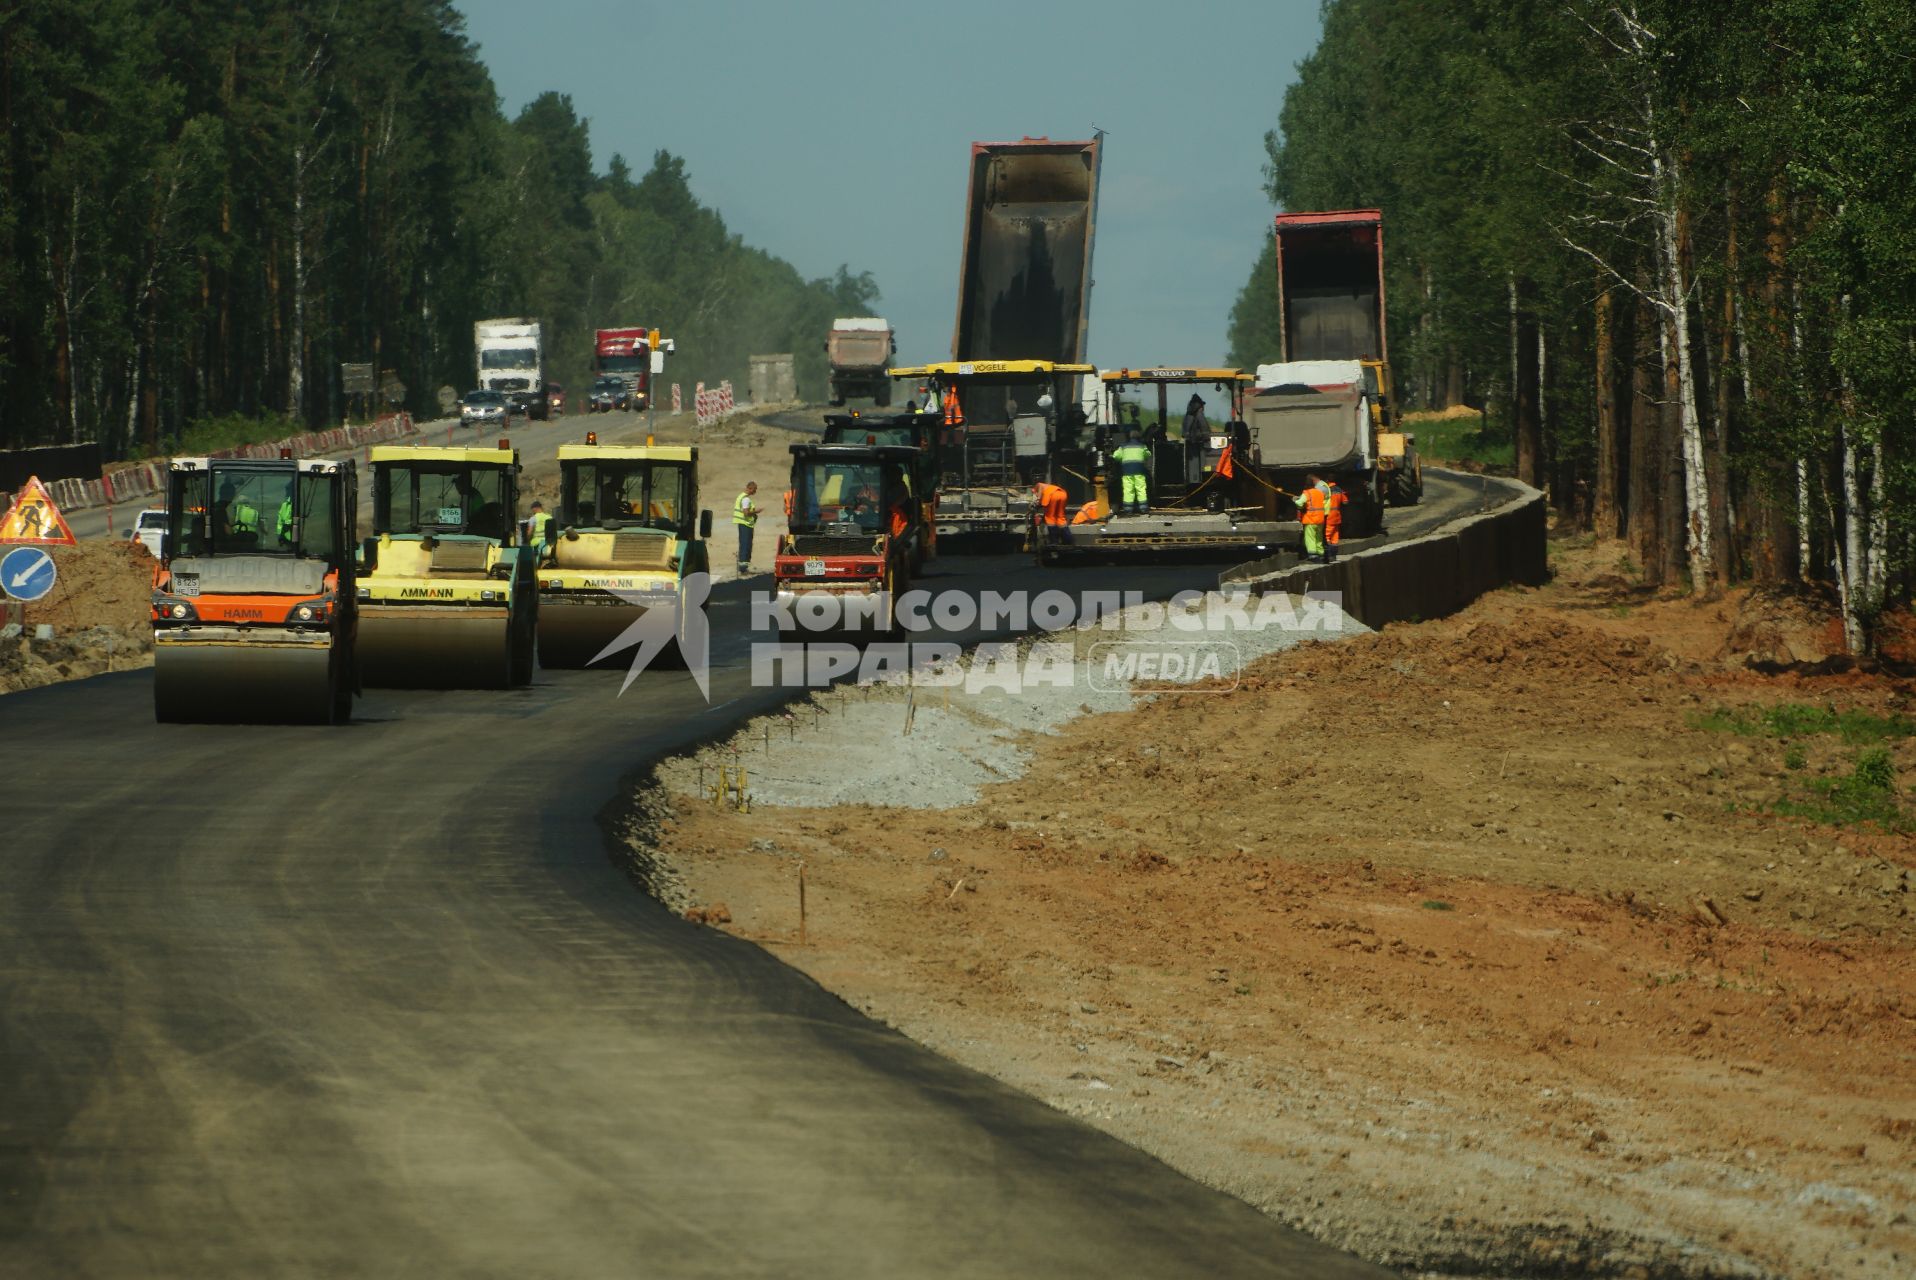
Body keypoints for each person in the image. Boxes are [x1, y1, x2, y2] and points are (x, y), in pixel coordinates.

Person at [1113, 429, 1151, 516]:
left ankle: (1128, 509)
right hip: (1139, 472)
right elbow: (1148, 454)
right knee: (1141, 489)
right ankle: (1144, 508)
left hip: (1127, 472)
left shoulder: (1123, 446)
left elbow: (1116, 456)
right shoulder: (1142, 446)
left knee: (1128, 490)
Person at [1294, 472, 1328, 562]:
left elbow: (1299, 503)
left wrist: (1296, 501)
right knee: (1319, 538)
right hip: (1320, 519)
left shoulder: (1307, 493)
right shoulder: (1320, 493)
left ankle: (1313, 555)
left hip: (1311, 519)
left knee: (1310, 537)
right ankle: (1321, 554)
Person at [733, 481, 759, 575]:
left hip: (744, 524)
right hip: (745, 525)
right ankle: (743, 568)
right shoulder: (745, 499)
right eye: (754, 489)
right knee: (745, 545)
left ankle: (743, 567)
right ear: (750, 488)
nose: (755, 492)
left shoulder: (741, 497)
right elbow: (746, 513)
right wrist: (756, 512)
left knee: (744, 544)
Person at [1323, 480, 1348, 561]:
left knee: (1327, 536)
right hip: (1337, 516)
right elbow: (1345, 502)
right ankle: (1333, 556)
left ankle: (1328, 555)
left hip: (1329, 516)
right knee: (1335, 537)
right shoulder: (1339, 489)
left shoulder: (1326, 491)